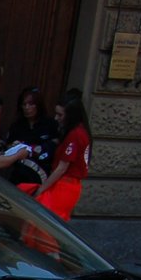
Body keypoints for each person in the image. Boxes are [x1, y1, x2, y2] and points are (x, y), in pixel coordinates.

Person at [26, 90, 91, 221]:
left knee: (45, 225)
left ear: (71, 116)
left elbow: (62, 167)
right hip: (68, 186)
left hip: (64, 186)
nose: (56, 118)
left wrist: (42, 189)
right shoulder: (80, 132)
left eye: (60, 115)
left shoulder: (75, 134)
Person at [6, 86, 59, 186]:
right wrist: (14, 146)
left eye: (31, 104)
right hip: (19, 174)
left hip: (41, 174)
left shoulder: (50, 124)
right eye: (24, 104)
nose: (27, 108)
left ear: (38, 105)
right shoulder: (17, 125)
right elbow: (8, 146)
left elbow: (55, 145)